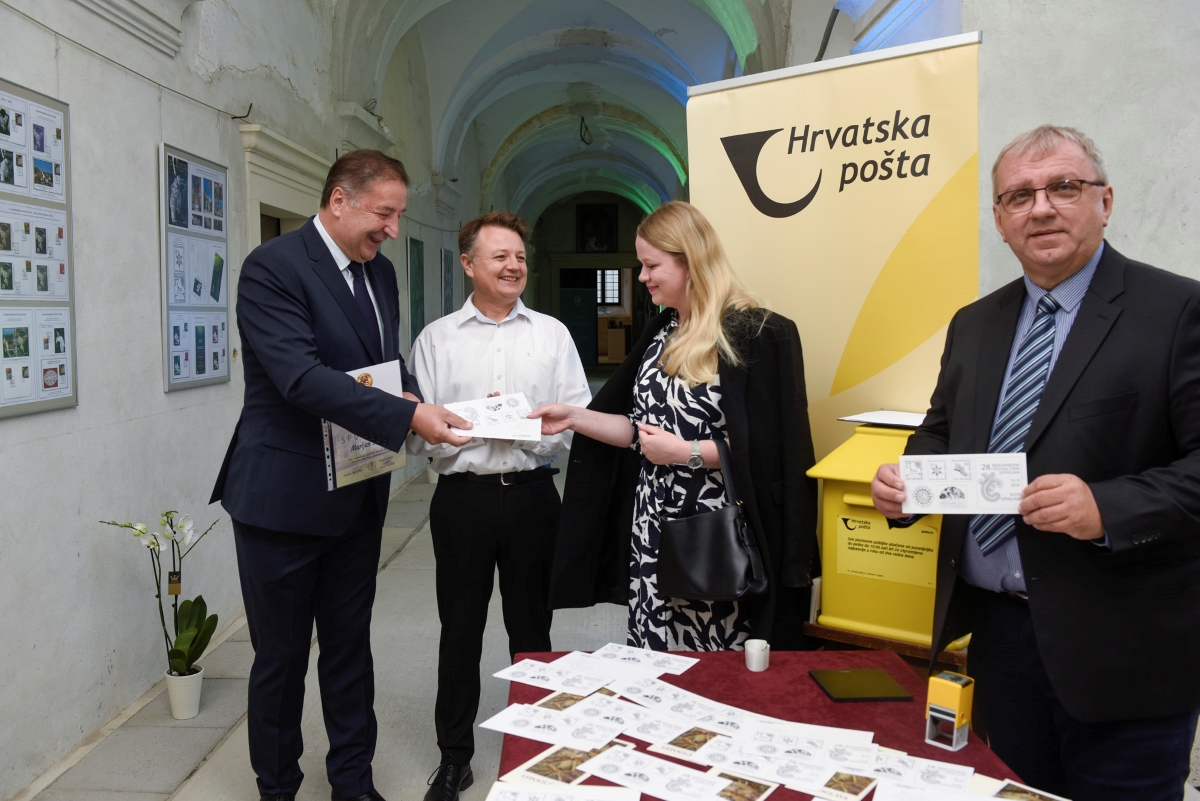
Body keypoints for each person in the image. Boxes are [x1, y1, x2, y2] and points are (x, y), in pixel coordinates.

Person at [870, 126, 1200, 799]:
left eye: (1064, 188)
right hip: (1000, 641)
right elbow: (940, 433)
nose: (1041, 208)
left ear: (1105, 201)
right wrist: (908, 484)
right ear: (999, 219)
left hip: (1124, 649)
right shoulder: (975, 323)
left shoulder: (1177, 310)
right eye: (1019, 196)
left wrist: (1106, 507)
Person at [210, 149, 472, 801]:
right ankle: (278, 787)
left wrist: (414, 396)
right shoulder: (272, 268)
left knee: (350, 649)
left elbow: (385, 362)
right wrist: (409, 416)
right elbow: (300, 378)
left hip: (357, 492)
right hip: (283, 500)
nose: (392, 229)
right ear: (338, 200)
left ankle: (353, 782)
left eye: (399, 215)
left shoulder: (380, 273)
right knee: (281, 659)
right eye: (384, 213)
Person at [531, 200, 818, 652]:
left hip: (716, 532)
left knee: (712, 663)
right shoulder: (661, 331)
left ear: (691, 261)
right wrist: (575, 417)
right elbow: (640, 433)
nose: (642, 277)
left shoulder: (759, 333)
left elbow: (774, 450)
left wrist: (686, 453)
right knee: (655, 656)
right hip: (652, 526)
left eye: (651, 266)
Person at [407, 211, 591, 801]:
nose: (514, 267)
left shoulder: (552, 335)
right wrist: (467, 427)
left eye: (520, 257)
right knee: (459, 629)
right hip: (462, 500)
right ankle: (454, 759)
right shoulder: (436, 339)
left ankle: (536, 751)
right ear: (468, 264)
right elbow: (416, 435)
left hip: (533, 495)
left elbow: (576, 422)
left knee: (532, 627)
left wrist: (522, 427)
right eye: (500, 257)